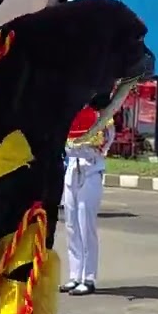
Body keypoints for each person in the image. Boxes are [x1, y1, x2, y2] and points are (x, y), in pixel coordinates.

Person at [59, 103, 115, 296]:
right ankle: (75, 274)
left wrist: (97, 145)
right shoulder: (71, 108)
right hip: (72, 168)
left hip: (91, 168)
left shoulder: (100, 112)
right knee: (71, 224)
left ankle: (88, 277)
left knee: (86, 224)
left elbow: (108, 137)